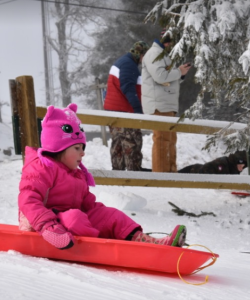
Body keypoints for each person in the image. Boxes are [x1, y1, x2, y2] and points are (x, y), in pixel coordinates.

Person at [18, 103, 187, 250]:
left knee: (112, 215)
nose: (82, 154)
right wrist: (48, 226)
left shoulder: (76, 174)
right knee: (75, 219)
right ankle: (98, 245)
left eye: (82, 148)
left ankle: (144, 240)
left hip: (69, 221)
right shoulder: (41, 167)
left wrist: (107, 218)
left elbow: (88, 205)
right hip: (42, 225)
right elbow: (28, 199)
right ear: (58, 148)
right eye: (77, 148)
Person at [141, 29, 191, 172]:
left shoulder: (163, 55)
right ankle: (161, 175)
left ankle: (170, 173)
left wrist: (180, 75)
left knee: (170, 140)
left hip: (166, 105)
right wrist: (179, 72)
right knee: (162, 141)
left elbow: (167, 79)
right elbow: (160, 77)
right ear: (169, 42)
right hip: (159, 105)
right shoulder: (154, 53)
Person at [104, 41, 149, 171]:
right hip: (124, 111)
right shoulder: (129, 65)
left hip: (114, 110)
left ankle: (118, 172)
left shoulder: (123, 62)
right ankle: (134, 173)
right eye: (145, 55)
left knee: (118, 143)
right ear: (140, 54)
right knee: (132, 142)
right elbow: (128, 88)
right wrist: (137, 109)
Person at [179, 151, 248, 175]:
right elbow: (206, 168)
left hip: (197, 169)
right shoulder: (223, 163)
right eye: (240, 165)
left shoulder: (235, 169)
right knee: (175, 175)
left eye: (243, 166)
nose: (241, 168)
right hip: (193, 170)